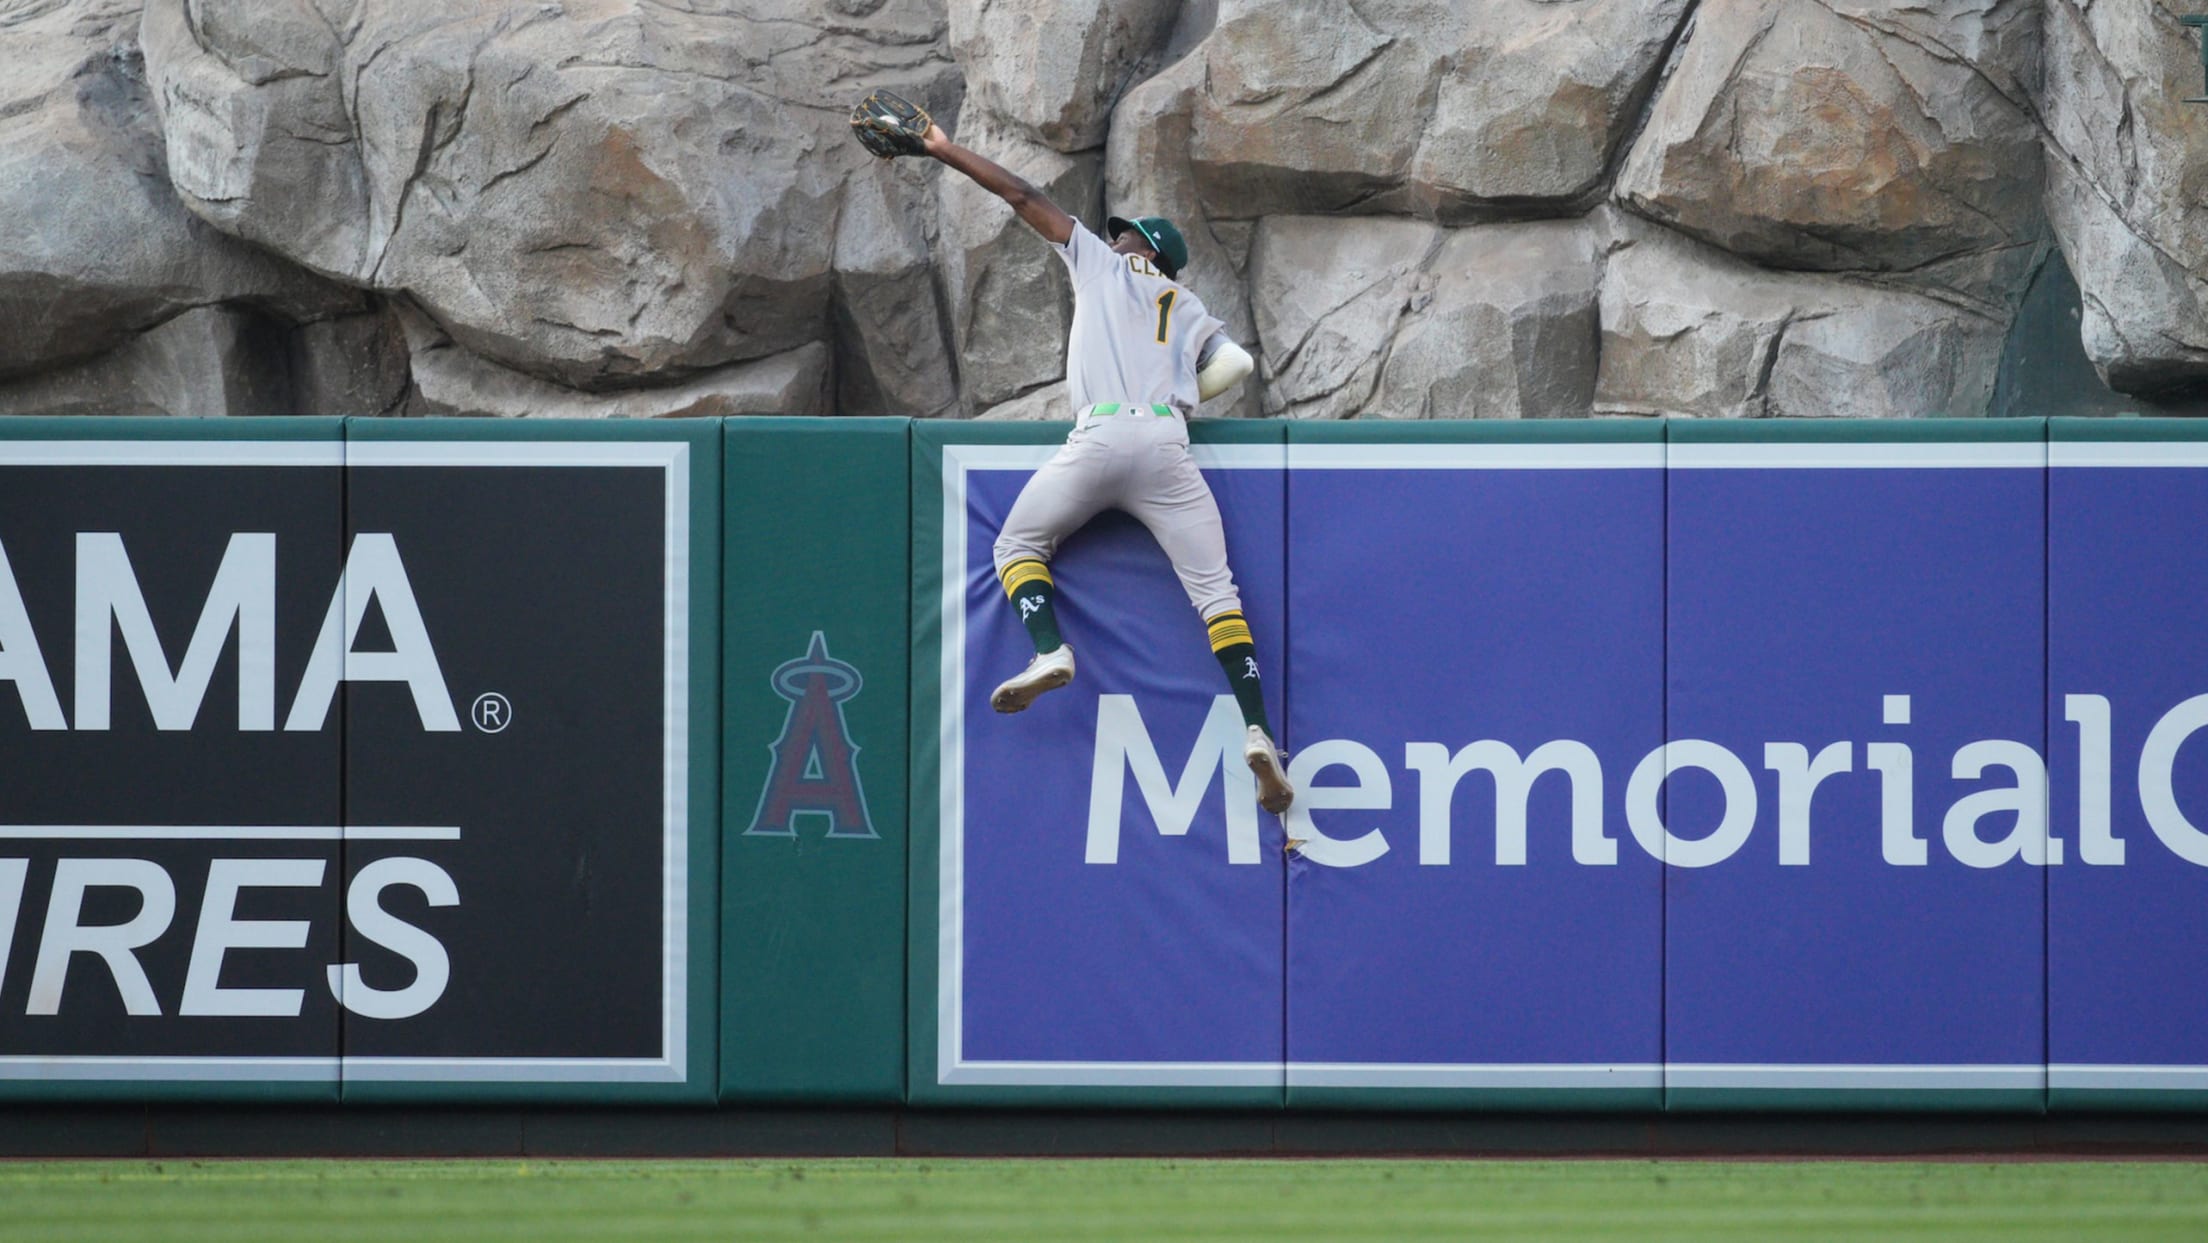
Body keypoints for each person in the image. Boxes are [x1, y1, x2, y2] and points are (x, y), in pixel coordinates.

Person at [919, 118, 1296, 817]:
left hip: (1098, 438)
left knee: (1017, 544)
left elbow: (1022, 193)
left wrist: (945, 151)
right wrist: (1179, 395)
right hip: (1166, 446)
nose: (1114, 234)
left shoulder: (1102, 262)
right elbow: (1238, 365)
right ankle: (1259, 730)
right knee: (1218, 597)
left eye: (1127, 233)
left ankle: (1049, 651)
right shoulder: (1186, 304)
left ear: (1141, 249)